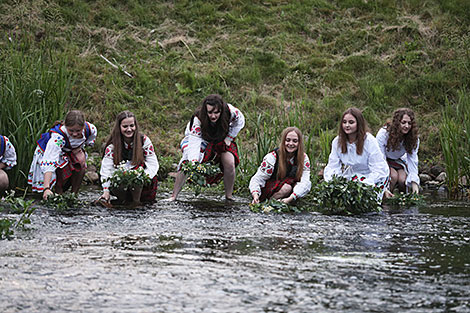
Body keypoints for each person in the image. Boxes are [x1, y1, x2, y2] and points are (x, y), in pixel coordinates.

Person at [167, 94, 245, 201]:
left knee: (230, 163)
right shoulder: (198, 119)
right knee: (186, 163)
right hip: (201, 139)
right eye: (210, 112)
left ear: (221, 110)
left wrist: (229, 138)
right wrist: (194, 162)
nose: (213, 116)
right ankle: (174, 196)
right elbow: (194, 142)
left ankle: (229, 196)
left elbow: (240, 121)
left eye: (216, 112)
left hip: (222, 138)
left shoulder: (231, 111)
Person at [28, 110, 97, 200]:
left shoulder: (90, 129)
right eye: (71, 130)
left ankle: (74, 195)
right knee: (59, 171)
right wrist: (46, 188)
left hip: (69, 151)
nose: (75, 134)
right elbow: (50, 160)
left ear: (83, 126)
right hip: (49, 153)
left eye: (78, 130)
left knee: (81, 163)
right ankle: (57, 195)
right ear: (65, 125)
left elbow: (89, 140)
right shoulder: (58, 137)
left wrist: (79, 148)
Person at [323, 107, 390, 200]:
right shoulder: (337, 141)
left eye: (351, 122)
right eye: (344, 122)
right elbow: (332, 166)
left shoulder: (369, 141)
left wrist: (366, 184)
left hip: (373, 175)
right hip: (353, 174)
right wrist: (333, 183)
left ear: (359, 124)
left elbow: (378, 168)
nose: (347, 125)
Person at [98, 111, 159, 205]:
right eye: (125, 126)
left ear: (136, 126)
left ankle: (136, 203)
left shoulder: (144, 140)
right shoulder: (112, 145)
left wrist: (141, 177)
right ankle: (123, 202)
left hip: (141, 182)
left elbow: (153, 164)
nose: (129, 129)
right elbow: (106, 168)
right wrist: (106, 190)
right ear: (119, 127)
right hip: (121, 182)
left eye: (132, 125)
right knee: (119, 183)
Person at [249, 127, 312, 204]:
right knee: (287, 188)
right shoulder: (272, 157)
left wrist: (290, 198)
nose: (291, 144)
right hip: (271, 188)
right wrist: (255, 195)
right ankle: (267, 203)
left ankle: (288, 201)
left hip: (291, 192)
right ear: (283, 141)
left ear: (299, 143)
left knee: (293, 186)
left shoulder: (303, 158)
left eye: (295, 141)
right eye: (288, 140)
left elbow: (305, 182)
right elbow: (257, 179)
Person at [376, 108, 419, 197]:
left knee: (403, 180)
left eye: (409, 123)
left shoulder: (413, 138)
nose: (406, 126)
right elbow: (379, 159)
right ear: (397, 123)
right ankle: (386, 199)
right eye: (403, 122)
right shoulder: (383, 134)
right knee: (393, 177)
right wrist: (384, 186)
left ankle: (402, 202)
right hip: (383, 159)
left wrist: (415, 185)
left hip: (398, 161)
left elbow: (413, 160)